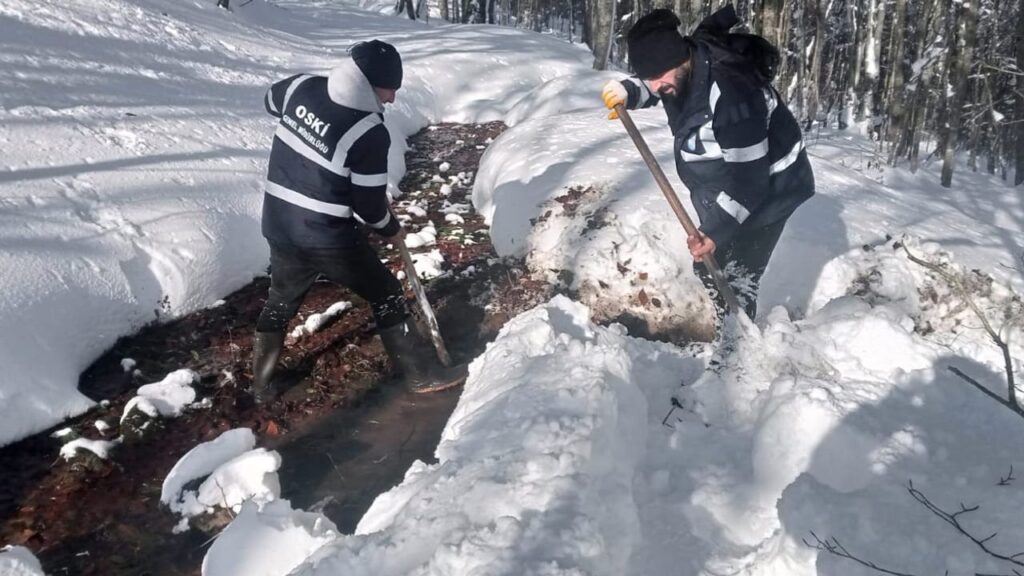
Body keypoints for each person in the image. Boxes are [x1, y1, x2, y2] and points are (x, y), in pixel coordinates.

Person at [252, 39, 466, 403]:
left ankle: (262, 386)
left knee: (281, 299)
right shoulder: (369, 132)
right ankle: (419, 376)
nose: (392, 99)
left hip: (279, 221)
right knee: (385, 293)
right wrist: (389, 227)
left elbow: (271, 99)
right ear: (367, 83)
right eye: (388, 89)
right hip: (326, 237)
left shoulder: (301, 87)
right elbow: (368, 207)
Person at [602, 6, 815, 323]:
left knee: (733, 276)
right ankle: (732, 333)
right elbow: (659, 85)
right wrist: (628, 91)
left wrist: (715, 230)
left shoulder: (733, 95)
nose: (656, 87)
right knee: (710, 268)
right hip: (724, 180)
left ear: (679, 60)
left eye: (658, 78)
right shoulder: (683, 68)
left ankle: (740, 358)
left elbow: (750, 182)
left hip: (772, 188)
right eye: (649, 79)